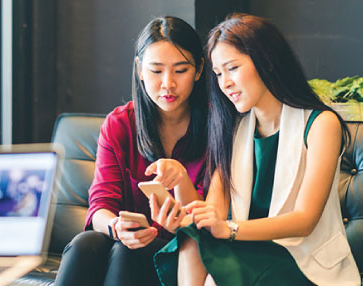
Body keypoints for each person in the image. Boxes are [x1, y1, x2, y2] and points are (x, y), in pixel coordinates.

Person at [153, 13, 361, 286]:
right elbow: (213, 211)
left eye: (232, 68)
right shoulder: (234, 128)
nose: (224, 82)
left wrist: (228, 228)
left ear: (267, 62)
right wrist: (182, 217)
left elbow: (305, 220)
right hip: (247, 251)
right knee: (192, 240)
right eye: (218, 73)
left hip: (302, 260)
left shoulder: (321, 124)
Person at [55, 16, 207, 286]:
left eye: (180, 70)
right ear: (139, 69)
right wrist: (117, 227)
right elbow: (100, 206)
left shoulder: (216, 127)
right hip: (122, 247)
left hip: (186, 254)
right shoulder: (121, 124)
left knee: (127, 252)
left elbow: (207, 217)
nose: (167, 84)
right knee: (86, 244)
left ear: (198, 70)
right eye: (156, 70)